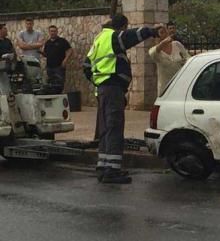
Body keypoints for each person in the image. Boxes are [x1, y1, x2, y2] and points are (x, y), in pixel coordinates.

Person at [84, 14, 163, 184]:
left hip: (104, 89)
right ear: (122, 26)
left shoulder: (98, 39)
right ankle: (112, 170)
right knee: (114, 127)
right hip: (112, 89)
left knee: (106, 128)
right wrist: (151, 31)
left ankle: (103, 166)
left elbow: (86, 66)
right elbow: (130, 37)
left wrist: (99, 80)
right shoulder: (113, 36)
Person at [149, 25, 190, 95]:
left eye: (166, 32)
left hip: (181, 85)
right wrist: (163, 43)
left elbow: (188, 58)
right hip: (166, 88)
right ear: (156, 36)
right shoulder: (155, 52)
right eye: (162, 32)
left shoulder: (177, 44)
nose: (165, 34)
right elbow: (152, 53)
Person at [42, 25, 73, 93]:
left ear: (57, 32)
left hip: (59, 67)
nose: (52, 33)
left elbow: (70, 50)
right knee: (50, 84)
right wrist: (41, 53)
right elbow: (46, 54)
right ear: (49, 32)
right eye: (51, 31)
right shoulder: (47, 43)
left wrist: (65, 60)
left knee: (59, 84)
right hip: (49, 67)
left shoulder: (62, 41)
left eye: (54, 31)